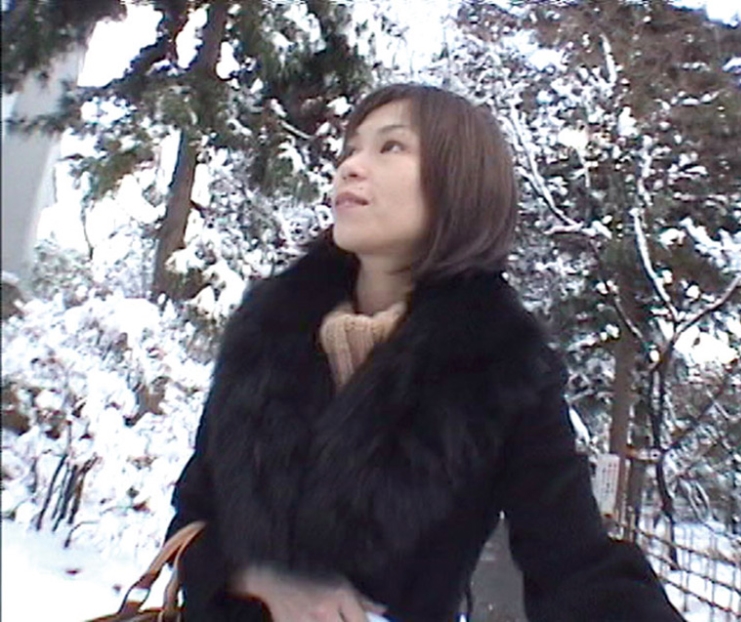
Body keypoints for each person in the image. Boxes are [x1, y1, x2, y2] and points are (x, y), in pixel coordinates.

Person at [167, 83, 685, 622]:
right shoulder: (267, 334)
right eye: (350, 149)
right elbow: (192, 516)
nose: (350, 167)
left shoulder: (496, 363)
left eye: (390, 147)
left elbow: (576, 566)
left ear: (458, 183)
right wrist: (258, 578)